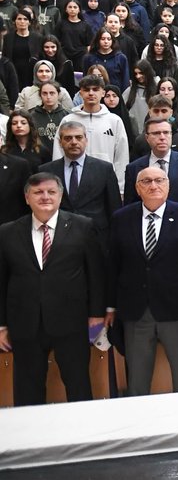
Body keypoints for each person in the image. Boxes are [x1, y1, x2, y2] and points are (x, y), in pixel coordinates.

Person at [0, 172, 105, 405]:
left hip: (72, 321)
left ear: (60, 196)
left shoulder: (83, 226)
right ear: (27, 198)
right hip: (25, 324)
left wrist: (96, 314)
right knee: (28, 390)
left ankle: (83, 436)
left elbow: (95, 273)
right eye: (38, 192)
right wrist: (2, 325)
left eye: (51, 192)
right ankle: (31, 439)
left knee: (78, 385)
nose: (45, 197)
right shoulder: (7, 232)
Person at [108, 166, 178, 396]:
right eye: (146, 181)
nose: (153, 185)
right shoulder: (121, 218)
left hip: (176, 309)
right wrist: (110, 306)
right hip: (135, 310)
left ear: (168, 185)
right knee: (137, 380)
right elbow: (113, 265)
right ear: (137, 188)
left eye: (159, 180)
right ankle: (140, 428)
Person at [41, 119, 122, 234]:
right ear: (60, 142)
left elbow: (114, 207)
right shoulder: (47, 170)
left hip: (96, 235)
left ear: (86, 140)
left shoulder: (104, 169)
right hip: (59, 235)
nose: (74, 142)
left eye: (78, 137)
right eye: (68, 138)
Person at [124, 117, 178, 214]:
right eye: (156, 133)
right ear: (147, 138)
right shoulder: (134, 168)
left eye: (166, 133)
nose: (162, 137)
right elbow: (129, 206)